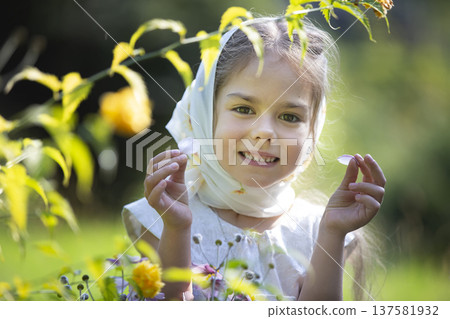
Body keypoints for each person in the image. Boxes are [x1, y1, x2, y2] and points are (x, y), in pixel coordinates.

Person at [122, 17, 386, 301]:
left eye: (289, 116)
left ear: (313, 129)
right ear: (205, 114)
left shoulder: (317, 229)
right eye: (244, 109)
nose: (263, 132)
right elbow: (166, 302)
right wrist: (177, 229)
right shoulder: (162, 218)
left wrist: (332, 232)